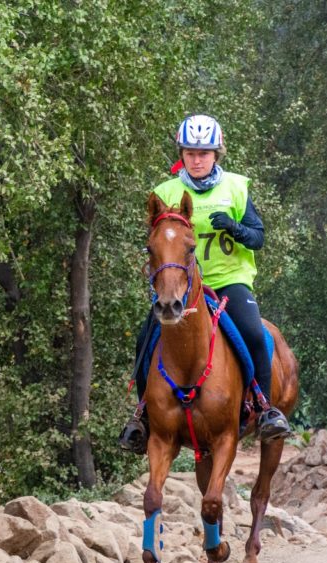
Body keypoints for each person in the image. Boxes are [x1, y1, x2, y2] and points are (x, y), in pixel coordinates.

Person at [119, 114, 290, 454]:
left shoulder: (236, 188)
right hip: (180, 287)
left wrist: (235, 228)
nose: (196, 160)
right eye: (190, 153)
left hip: (229, 282)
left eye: (204, 153)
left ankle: (266, 408)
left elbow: (258, 238)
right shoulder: (165, 192)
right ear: (181, 154)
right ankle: (142, 418)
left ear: (216, 154)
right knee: (144, 340)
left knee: (255, 335)